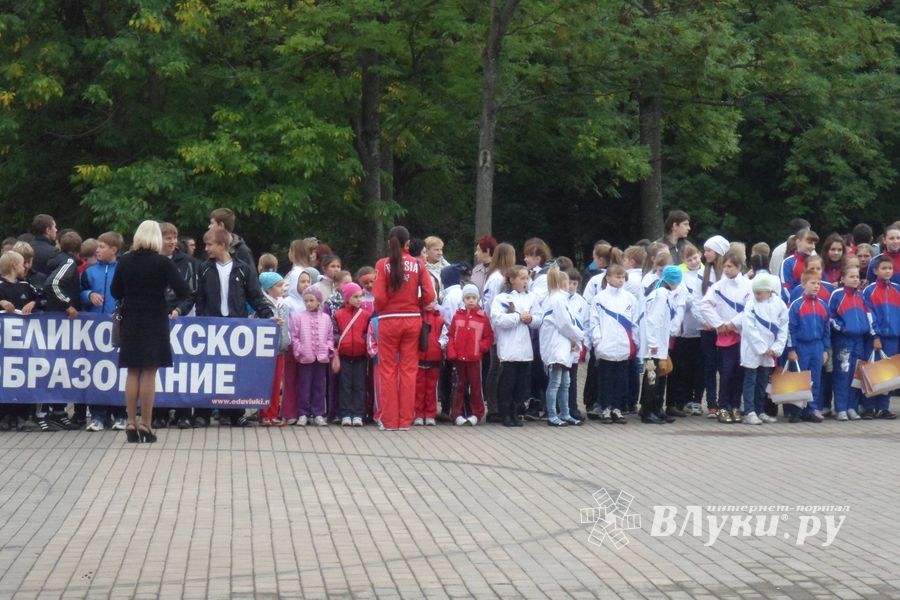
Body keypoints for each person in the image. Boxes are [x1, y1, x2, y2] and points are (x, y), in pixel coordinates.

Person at [110, 221, 191, 443]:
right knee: (150, 372)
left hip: (132, 318)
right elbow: (184, 290)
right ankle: (146, 423)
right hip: (155, 318)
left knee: (132, 371)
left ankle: (129, 421)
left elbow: (115, 291)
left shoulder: (125, 261)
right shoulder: (163, 263)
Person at [193, 228, 273, 427]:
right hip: (211, 326)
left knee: (234, 370)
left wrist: (269, 315)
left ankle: (236, 413)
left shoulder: (242, 268)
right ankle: (203, 411)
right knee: (209, 370)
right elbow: (198, 298)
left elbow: (255, 296)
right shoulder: (204, 268)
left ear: (222, 245)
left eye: (210, 244)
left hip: (235, 325)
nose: (206, 248)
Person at [373, 226, 436, 431]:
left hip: (389, 320)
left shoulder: (382, 265)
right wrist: (415, 304)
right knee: (409, 370)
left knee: (388, 370)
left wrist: (385, 308)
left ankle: (390, 420)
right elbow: (429, 296)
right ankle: (405, 421)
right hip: (412, 320)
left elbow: (379, 297)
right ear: (408, 244)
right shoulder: (418, 264)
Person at [80, 231, 126, 432]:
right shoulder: (89, 272)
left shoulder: (123, 270)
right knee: (96, 371)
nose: (97, 250)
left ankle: (121, 414)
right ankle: (98, 416)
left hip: (117, 326)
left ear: (113, 249)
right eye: (97, 247)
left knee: (117, 371)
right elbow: (79, 292)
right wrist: (88, 295)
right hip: (94, 329)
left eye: (101, 247)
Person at [700, 251, 752, 424]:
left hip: (742, 335)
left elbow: (750, 309)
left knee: (739, 372)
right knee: (726, 372)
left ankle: (735, 406)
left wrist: (733, 324)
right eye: (725, 266)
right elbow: (705, 305)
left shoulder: (747, 285)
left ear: (738, 267)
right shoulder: (718, 286)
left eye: (730, 266)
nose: (727, 270)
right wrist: (719, 324)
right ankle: (723, 406)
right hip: (725, 336)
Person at [158, 222, 198, 429]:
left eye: (174, 237)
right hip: (156, 316)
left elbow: (191, 293)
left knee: (182, 365)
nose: (172, 241)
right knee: (158, 366)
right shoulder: (151, 260)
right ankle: (159, 412)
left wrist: (179, 310)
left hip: (180, 318)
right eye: (167, 237)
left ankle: (184, 412)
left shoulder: (187, 261)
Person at [588, 264, 637, 424]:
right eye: (617, 277)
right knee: (606, 380)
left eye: (623, 277)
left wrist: (634, 342)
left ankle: (617, 408)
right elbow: (594, 322)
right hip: (606, 346)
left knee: (621, 379)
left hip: (623, 346)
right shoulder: (600, 298)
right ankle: (605, 408)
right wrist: (598, 342)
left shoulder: (629, 298)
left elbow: (635, 322)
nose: (620, 280)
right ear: (608, 278)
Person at [491, 265, 539, 427]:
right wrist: (518, 317)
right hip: (509, 347)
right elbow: (498, 319)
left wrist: (531, 319)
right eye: (522, 278)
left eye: (527, 278)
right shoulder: (502, 299)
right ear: (512, 280)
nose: (526, 281)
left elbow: (539, 319)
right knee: (508, 381)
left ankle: (516, 412)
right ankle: (505, 413)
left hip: (525, 348)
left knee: (521, 382)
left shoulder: (531, 297)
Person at [738, 274, 787, 425]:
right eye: (755, 292)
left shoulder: (779, 304)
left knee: (762, 381)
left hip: (770, 350)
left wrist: (776, 348)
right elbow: (749, 328)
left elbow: (784, 327)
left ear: (768, 291)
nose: (757, 295)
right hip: (753, 349)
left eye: (760, 292)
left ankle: (760, 410)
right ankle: (749, 411)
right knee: (751, 380)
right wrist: (762, 348)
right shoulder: (750, 304)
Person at [0, 250, 41, 431]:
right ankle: (5, 415)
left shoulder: (26, 285)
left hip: (24, 343)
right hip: (4, 344)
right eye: (22, 263)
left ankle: (23, 415)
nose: (25, 266)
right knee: (5, 377)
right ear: (13, 266)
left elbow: (42, 297)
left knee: (23, 376)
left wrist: (33, 303)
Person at [785, 271, 831, 423]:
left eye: (818, 283)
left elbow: (826, 330)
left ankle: (811, 409)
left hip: (817, 346)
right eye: (812, 283)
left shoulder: (823, 305)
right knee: (799, 378)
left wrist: (825, 349)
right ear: (804, 284)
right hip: (801, 347)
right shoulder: (796, 305)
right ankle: (795, 410)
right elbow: (790, 328)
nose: (816, 286)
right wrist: (792, 349)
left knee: (815, 379)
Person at [638, 265, 683, 424]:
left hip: (658, 344)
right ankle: (648, 410)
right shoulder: (661, 295)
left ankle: (656, 408)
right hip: (653, 346)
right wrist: (653, 342)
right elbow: (652, 320)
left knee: (660, 376)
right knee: (652, 377)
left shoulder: (663, 293)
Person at [540, 269, 584, 427]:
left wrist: (574, 338)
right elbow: (565, 324)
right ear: (562, 283)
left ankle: (565, 413)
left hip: (562, 345)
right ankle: (552, 414)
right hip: (556, 346)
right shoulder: (558, 299)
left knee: (565, 381)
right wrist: (578, 336)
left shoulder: (558, 298)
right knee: (555, 382)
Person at [446, 284, 493, 426]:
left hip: (474, 357)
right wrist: (452, 351)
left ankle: (477, 413)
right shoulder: (457, 315)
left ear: (478, 299)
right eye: (468, 298)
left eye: (473, 298)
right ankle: (457, 413)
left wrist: (480, 348)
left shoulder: (482, 317)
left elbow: (488, 336)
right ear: (463, 299)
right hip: (459, 357)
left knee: (476, 386)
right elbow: (451, 335)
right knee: (459, 386)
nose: (471, 300)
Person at [694, 235, 729, 418]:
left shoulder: (726, 274)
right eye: (705, 250)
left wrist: (719, 323)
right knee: (709, 366)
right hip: (707, 328)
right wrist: (706, 321)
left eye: (709, 250)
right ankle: (712, 404)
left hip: (724, 329)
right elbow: (696, 301)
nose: (705, 254)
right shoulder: (702, 273)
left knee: (725, 366)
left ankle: (725, 401)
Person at [862, 255, 900, 419]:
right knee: (873, 370)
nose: (887, 271)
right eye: (884, 268)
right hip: (876, 337)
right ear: (875, 271)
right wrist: (875, 335)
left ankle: (883, 407)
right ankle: (869, 406)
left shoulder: (897, 289)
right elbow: (869, 314)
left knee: (889, 372)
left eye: (890, 268)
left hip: (893, 336)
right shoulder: (869, 290)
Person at [481, 243, 516, 422]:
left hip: (497, 328)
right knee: (496, 367)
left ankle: (498, 404)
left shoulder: (495, 276)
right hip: (496, 328)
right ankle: (493, 406)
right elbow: (491, 304)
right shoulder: (498, 279)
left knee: (497, 367)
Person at [669, 244, 705, 416]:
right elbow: (683, 298)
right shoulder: (681, 275)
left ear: (700, 255)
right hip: (684, 330)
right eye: (689, 259)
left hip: (701, 328)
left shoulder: (706, 273)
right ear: (683, 261)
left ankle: (696, 400)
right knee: (683, 366)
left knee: (699, 367)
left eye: (695, 257)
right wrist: (695, 301)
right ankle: (682, 399)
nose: (693, 261)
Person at [830, 264, 869, 421]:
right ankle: (841, 408)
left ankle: (851, 407)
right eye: (851, 276)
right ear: (843, 278)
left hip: (859, 340)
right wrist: (842, 328)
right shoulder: (837, 295)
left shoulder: (860, 295)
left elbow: (868, 313)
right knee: (842, 374)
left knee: (855, 374)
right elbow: (831, 316)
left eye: (857, 277)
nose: (855, 279)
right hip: (844, 340)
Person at [290, 286, 333, 426]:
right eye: (306, 300)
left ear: (319, 301)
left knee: (319, 386)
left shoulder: (326, 318)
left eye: (311, 300)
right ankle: (303, 413)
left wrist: (327, 348)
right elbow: (295, 336)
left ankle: (318, 413)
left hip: (321, 357)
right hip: (305, 357)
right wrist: (299, 350)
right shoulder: (299, 318)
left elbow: (330, 336)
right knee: (304, 385)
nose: (308, 303)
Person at [281, 266, 319, 425]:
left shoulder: (311, 301)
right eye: (302, 281)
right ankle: (290, 412)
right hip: (292, 345)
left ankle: (306, 410)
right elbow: (287, 324)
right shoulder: (288, 302)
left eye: (308, 281)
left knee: (306, 380)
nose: (305, 284)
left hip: (309, 347)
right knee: (290, 379)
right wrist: (290, 341)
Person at [334, 282, 371, 427]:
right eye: (355, 296)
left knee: (359, 385)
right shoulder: (338, 315)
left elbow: (368, 333)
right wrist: (339, 345)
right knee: (345, 386)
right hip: (345, 355)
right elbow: (335, 334)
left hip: (360, 356)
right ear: (347, 298)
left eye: (360, 296)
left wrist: (363, 343)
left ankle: (358, 414)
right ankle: (345, 413)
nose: (358, 299)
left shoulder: (366, 315)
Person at [258, 272, 289, 427]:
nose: (282, 289)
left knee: (277, 383)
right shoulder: (263, 305)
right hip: (267, 350)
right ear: (268, 289)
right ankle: (264, 413)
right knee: (266, 382)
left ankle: (274, 413)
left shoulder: (283, 304)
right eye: (278, 286)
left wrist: (286, 340)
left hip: (280, 349)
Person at [414, 300, 445, 426]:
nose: (429, 303)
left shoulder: (440, 319)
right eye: (427, 300)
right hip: (418, 357)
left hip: (434, 358)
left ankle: (430, 413)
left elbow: (445, 336)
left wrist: (440, 345)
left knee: (432, 388)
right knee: (419, 388)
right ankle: (419, 414)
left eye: (432, 301)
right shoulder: (416, 318)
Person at [208, 207, 255, 275]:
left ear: (221, 225)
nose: (209, 227)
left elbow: (251, 280)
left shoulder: (242, 250)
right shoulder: (210, 248)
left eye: (212, 223)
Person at [781, 229, 819, 300]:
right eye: (810, 243)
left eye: (814, 244)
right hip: (795, 306)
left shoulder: (816, 262)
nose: (813, 247)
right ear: (798, 242)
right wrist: (798, 303)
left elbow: (821, 285)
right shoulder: (788, 262)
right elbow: (785, 289)